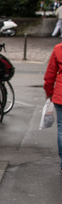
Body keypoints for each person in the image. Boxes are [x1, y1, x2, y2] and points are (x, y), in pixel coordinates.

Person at [43, 42, 62, 173]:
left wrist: (49, 92)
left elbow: (50, 75)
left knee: (61, 128)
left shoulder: (58, 49)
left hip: (60, 95)